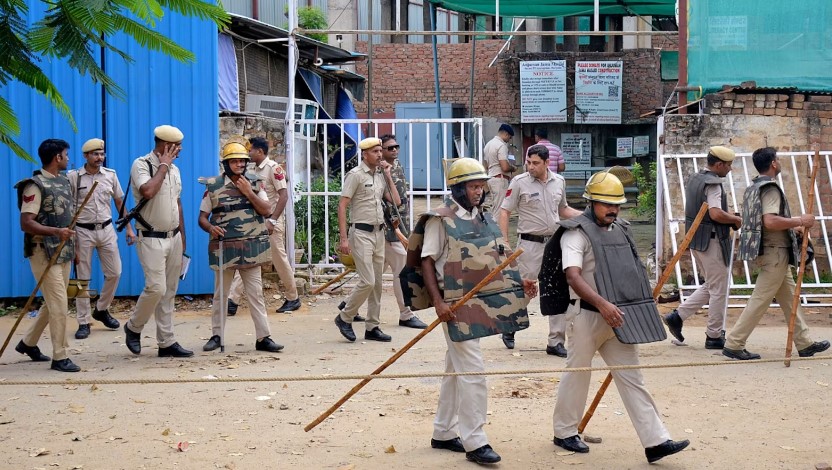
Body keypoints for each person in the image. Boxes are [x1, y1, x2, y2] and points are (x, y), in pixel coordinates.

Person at [549, 170, 689, 463]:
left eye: (617, 204)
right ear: (591, 202)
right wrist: (602, 305)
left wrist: (646, 294)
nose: (613, 209)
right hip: (586, 317)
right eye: (606, 204)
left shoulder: (622, 229)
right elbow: (573, 277)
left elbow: (632, 268)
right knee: (577, 374)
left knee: (632, 377)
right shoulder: (575, 233)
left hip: (619, 317)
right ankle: (564, 432)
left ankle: (655, 441)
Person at [417, 158, 534, 465]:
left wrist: (520, 283)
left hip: (479, 303)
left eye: (481, 185)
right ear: (456, 188)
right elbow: (426, 261)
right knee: (473, 371)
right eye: (472, 186)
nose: (479, 191)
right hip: (454, 307)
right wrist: (439, 303)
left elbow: (496, 257)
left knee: (456, 369)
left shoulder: (484, 217)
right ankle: (476, 441)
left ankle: (443, 431)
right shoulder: (439, 220)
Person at [723, 147, 830, 360]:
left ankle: (804, 342)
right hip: (775, 252)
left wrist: (792, 227)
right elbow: (770, 221)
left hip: (769, 250)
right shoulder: (770, 188)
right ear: (773, 163)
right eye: (778, 159)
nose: (779, 162)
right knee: (760, 299)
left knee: (791, 299)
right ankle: (734, 343)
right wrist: (800, 221)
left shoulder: (754, 187)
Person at [198, 141, 283, 353]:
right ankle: (216, 335)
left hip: (251, 246)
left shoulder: (255, 183)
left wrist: (248, 193)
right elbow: (202, 218)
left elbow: (266, 210)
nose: (239, 165)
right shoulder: (213, 186)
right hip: (224, 248)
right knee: (220, 295)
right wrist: (210, 228)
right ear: (225, 164)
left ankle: (264, 337)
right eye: (234, 161)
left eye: (242, 161)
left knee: (256, 294)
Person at [498, 144, 582, 354]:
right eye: (528, 162)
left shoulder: (559, 182)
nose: (530, 167)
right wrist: (505, 242)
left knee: (556, 290)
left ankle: (556, 342)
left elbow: (563, 210)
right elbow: (505, 212)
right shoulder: (519, 182)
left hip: (554, 243)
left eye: (535, 163)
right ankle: (510, 324)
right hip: (529, 245)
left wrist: (586, 217)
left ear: (547, 163)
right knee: (524, 289)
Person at [123, 125, 193, 358]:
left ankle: (166, 342)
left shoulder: (175, 170)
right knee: (156, 287)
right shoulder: (141, 164)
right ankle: (133, 327)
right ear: (167, 146)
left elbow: (178, 203)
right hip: (151, 237)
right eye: (177, 146)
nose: (181, 150)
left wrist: (183, 237)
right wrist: (163, 165)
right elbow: (148, 191)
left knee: (169, 291)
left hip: (173, 237)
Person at [663, 146, 742, 349]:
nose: (730, 169)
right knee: (719, 288)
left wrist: (729, 215)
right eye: (728, 165)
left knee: (714, 284)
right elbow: (715, 214)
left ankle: (677, 317)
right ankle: (714, 336)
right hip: (711, 240)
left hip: (698, 240)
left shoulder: (696, 178)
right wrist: (734, 219)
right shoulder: (713, 184)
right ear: (718, 165)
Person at [13, 139, 81, 372]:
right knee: (59, 304)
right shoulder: (34, 185)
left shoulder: (63, 181)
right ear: (57, 158)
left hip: (63, 252)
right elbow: (26, 223)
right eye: (66, 154)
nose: (68, 158)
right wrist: (56, 232)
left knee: (54, 302)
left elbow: (68, 219)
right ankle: (60, 356)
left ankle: (28, 343)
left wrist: (75, 248)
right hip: (43, 252)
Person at [333, 137, 401, 343]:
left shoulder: (380, 175)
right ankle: (345, 317)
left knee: (378, 284)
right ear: (364, 154)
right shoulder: (355, 175)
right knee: (368, 280)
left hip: (379, 233)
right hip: (361, 233)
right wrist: (344, 239)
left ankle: (373, 326)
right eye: (375, 151)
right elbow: (342, 206)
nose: (380, 154)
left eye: (380, 151)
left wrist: (388, 175)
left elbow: (396, 201)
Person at [67, 138, 135, 340]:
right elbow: (67, 208)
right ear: (85, 156)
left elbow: (119, 202)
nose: (99, 158)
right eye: (95, 154)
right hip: (82, 232)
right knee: (82, 278)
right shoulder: (74, 178)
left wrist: (129, 229)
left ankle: (102, 309)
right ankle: (83, 321)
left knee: (115, 272)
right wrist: (71, 238)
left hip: (106, 229)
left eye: (102, 154)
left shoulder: (110, 175)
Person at [226, 137, 301, 315]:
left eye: (250, 150)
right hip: (256, 223)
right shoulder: (251, 169)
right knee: (246, 259)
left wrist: (273, 220)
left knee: (279, 260)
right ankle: (232, 300)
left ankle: (293, 297)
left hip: (271, 223)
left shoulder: (273, 168)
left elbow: (283, 196)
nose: (248, 153)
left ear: (260, 151)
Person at [379, 133, 427, 329]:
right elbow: (387, 201)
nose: (395, 150)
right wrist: (395, 226)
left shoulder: (397, 166)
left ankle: (348, 306)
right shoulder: (380, 170)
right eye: (390, 148)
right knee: (401, 271)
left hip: (400, 225)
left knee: (374, 273)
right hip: (390, 229)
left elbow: (403, 198)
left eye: (396, 146)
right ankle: (406, 314)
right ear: (380, 151)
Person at [483, 123, 516, 213]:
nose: (509, 140)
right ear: (506, 134)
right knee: (499, 209)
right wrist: (513, 168)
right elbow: (504, 167)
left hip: (490, 178)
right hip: (499, 180)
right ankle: (498, 227)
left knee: (494, 208)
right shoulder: (501, 146)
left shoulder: (488, 145)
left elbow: (485, 165)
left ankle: (495, 226)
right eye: (509, 137)